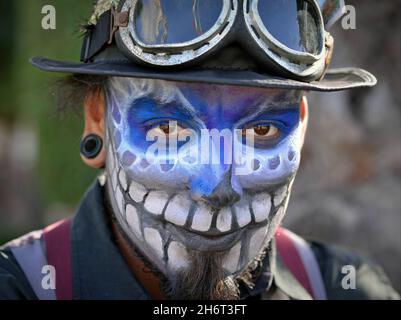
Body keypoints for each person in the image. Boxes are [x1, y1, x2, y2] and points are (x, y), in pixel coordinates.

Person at [0, 0, 399, 300]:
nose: (215, 188)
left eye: (262, 129)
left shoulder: (346, 288)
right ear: (96, 120)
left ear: (303, 126)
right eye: (168, 128)